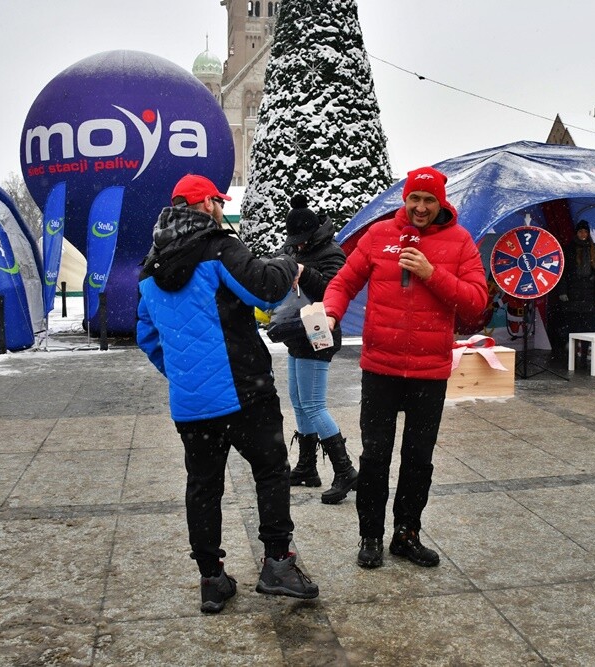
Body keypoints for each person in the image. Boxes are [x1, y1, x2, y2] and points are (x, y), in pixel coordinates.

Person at [135, 174, 319, 614]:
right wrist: (286, 263)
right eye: (218, 202)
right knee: (271, 471)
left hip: (191, 403)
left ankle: (211, 579)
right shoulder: (218, 247)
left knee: (203, 486)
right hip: (244, 392)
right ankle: (278, 564)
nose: (219, 208)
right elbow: (265, 290)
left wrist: (185, 375)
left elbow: (147, 334)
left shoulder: (150, 267)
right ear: (208, 205)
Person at [323, 166, 488, 569]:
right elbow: (343, 282)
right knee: (375, 457)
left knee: (418, 459)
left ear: (441, 202)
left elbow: (476, 303)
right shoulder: (379, 235)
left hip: (429, 373)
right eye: (415, 198)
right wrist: (330, 313)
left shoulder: (461, 241)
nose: (421, 207)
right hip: (380, 368)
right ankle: (370, 536)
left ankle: (406, 534)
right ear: (405, 198)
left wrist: (432, 273)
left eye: (429, 200)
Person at [280, 194, 358, 504]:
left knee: (313, 404)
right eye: (293, 241)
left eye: (301, 240)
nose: (297, 246)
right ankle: (307, 467)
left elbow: (335, 291)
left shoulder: (332, 252)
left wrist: (304, 272)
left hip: (319, 334)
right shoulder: (293, 248)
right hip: (296, 333)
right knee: (299, 402)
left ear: (313, 234)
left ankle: (345, 470)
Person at [553, 220, 595, 360]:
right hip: (573, 293)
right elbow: (563, 273)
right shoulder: (569, 249)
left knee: (587, 327)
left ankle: (583, 355)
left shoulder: (594, 250)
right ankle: (572, 355)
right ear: (576, 233)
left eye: (585, 232)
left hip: (589, 294)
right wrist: (563, 291)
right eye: (581, 231)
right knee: (573, 326)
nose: (583, 234)